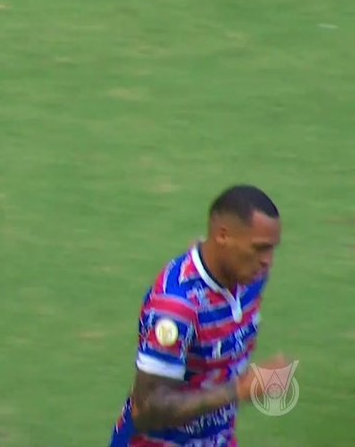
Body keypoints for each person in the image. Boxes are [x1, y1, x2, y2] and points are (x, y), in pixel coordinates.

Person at [109, 184, 294, 446]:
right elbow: (146, 410)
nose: (268, 261)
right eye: (259, 248)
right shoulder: (176, 308)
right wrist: (240, 389)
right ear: (223, 236)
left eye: (272, 249)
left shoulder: (250, 276)